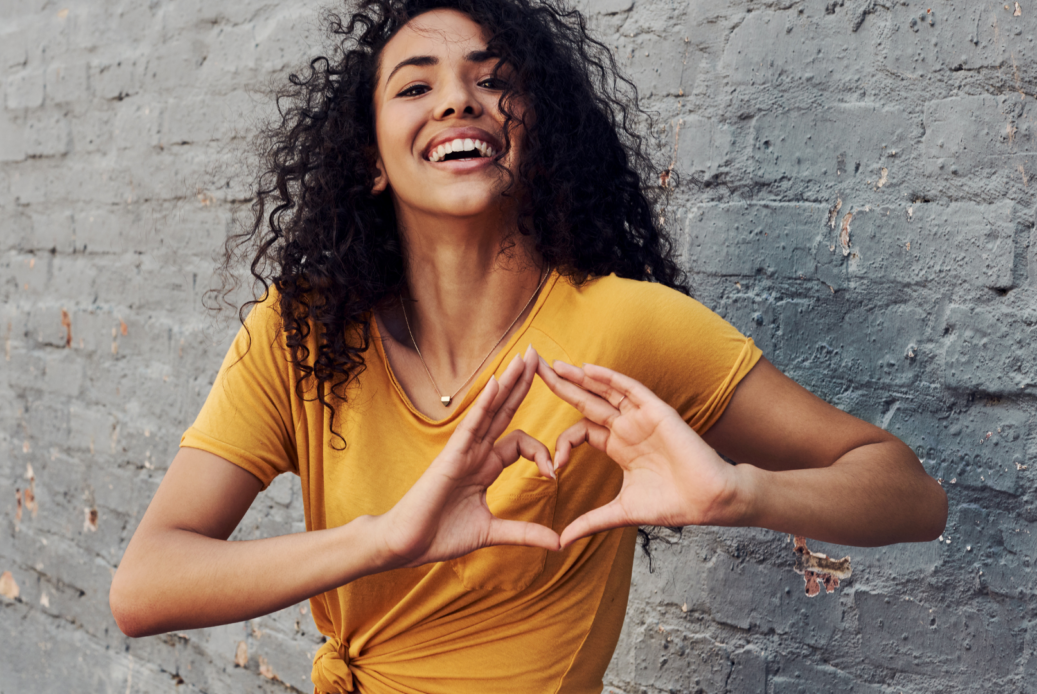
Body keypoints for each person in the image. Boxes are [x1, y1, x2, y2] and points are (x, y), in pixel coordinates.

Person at [109, 1, 948, 692]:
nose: (457, 100)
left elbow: (911, 494)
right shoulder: (302, 333)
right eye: (415, 86)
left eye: (494, 80)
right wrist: (387, 537)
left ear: (536, 133)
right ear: (369, 158)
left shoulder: (627, 326)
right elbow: (145, 586)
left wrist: (742, 494)